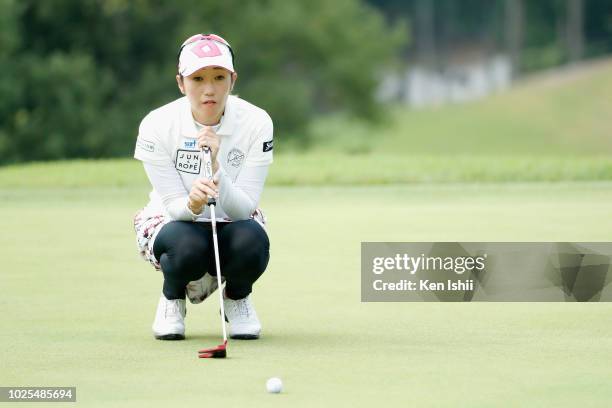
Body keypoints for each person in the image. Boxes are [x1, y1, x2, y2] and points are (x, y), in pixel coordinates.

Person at [133, 33, 273, 341]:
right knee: (186, 246)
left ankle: (237, 298)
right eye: (197, 79)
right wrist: (192, 205)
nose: (209, 89)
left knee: (253, 242)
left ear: (232, 80)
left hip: (233, 222)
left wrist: (216, 171)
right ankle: (171, 298)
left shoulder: (257, 122)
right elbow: (172, 205)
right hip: (174, 224)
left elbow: (243, 208)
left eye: (218, 77)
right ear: (181, 83)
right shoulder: (156, 125)